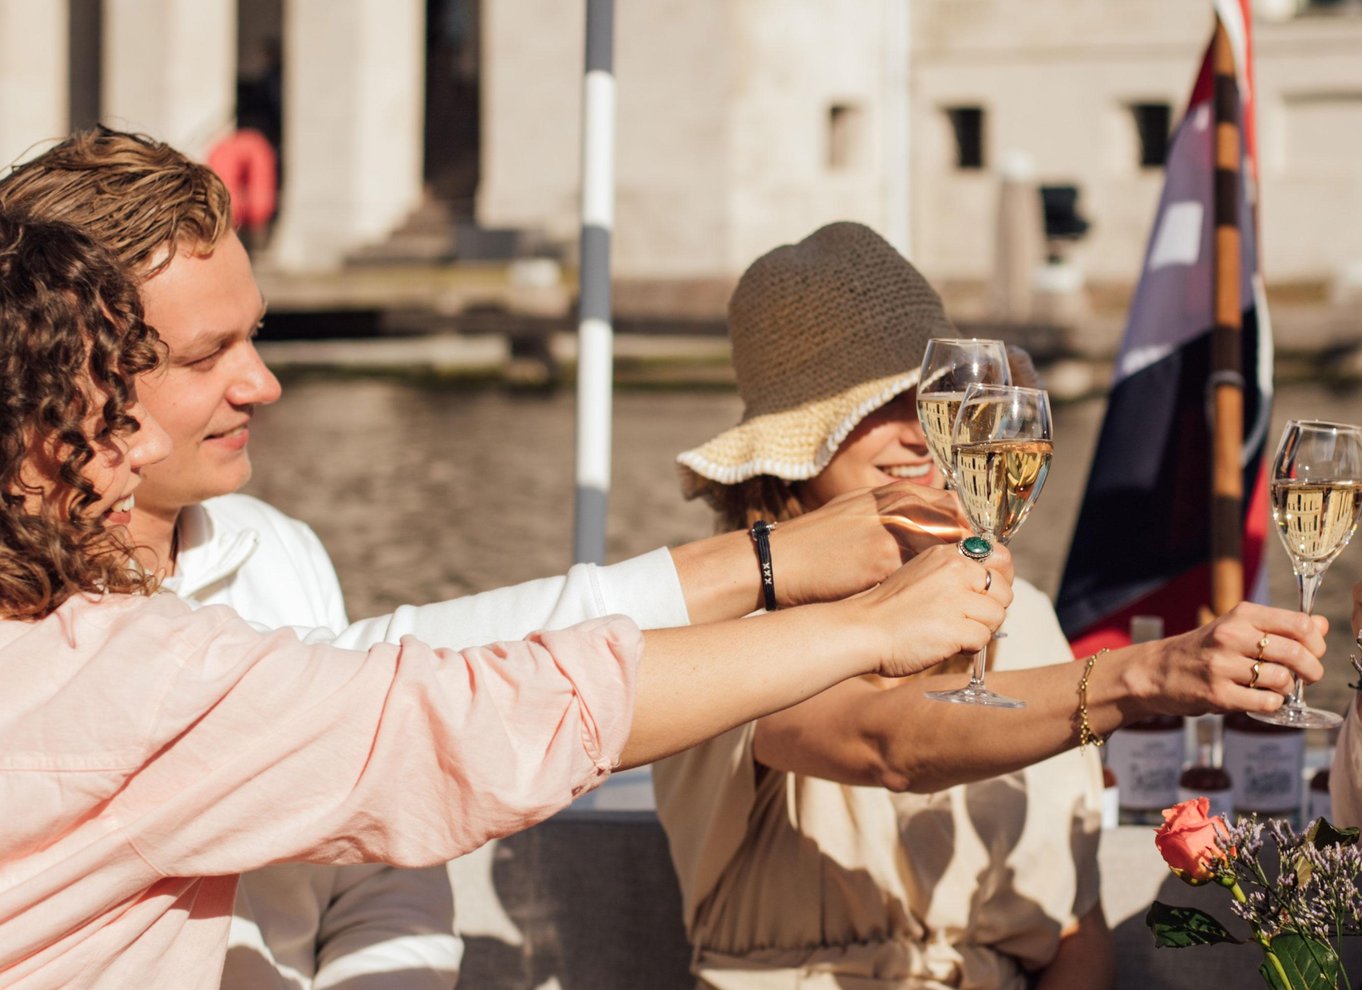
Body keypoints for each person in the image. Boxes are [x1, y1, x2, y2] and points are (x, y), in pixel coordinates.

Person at [0, 127, 985, 990]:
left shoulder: (254, 563)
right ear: (48, 401)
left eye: (254, 337)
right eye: (198, 358)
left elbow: (387, 700)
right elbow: (453, 717)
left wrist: (762, 566)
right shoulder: (114, 667)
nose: (262, 384)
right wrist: (852, 615)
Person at [652, 221, 1328, 990]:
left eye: (930, 391)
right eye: (873, 404)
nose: (919, 427)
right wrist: (1147, 674)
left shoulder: (1022, 613)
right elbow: (887, 746)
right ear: (790, 449)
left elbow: (1074, 933)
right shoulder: (724, 621)